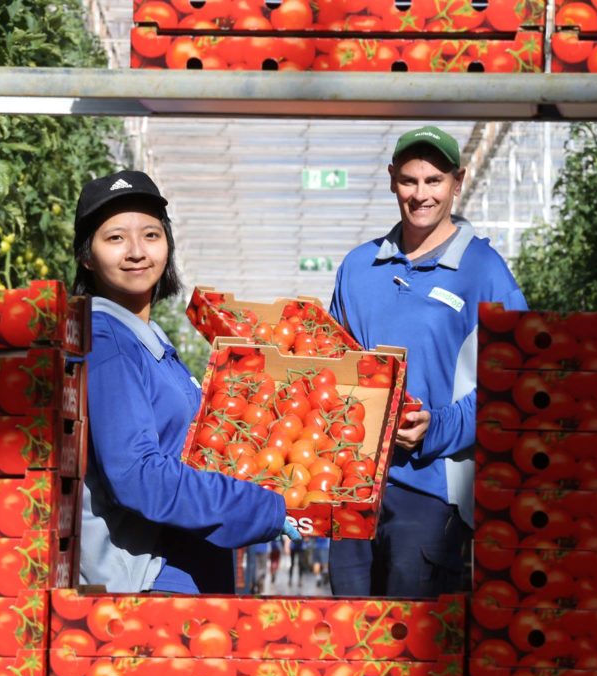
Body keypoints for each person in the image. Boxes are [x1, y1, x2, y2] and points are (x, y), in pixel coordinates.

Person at [73, 169, 299, 594]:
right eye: (115, 238)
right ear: (87, 256)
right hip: (149, 581)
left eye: (152, 235)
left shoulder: (148, 339)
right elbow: (139, 475)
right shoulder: (107, 341)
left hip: (186, 566)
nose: (137, 252)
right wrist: (256, 506)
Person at [328, 126, 527, 598]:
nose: (421, 195)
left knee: (411, 644)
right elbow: (332, 363)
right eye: (410, 181)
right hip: (353, 487)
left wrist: (436, 427)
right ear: (392, 179)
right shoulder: (358, 268)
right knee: (348, 637)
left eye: (434, 181)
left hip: (432, 491)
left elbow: (517, 382)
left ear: (457, 182)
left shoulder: (485, 272)